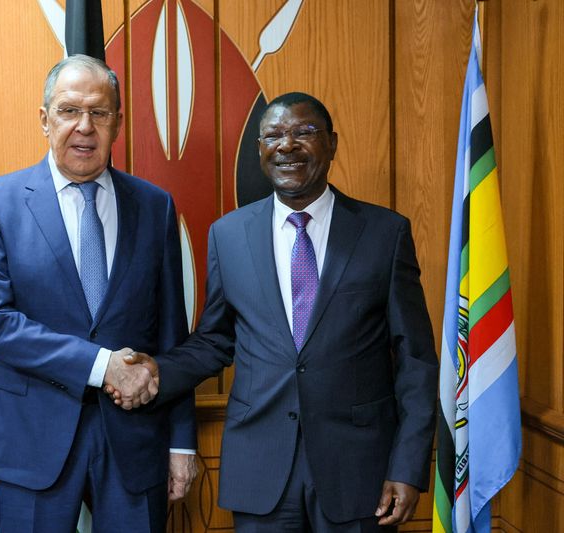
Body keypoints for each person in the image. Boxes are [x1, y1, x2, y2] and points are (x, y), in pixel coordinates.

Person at [116, 92, 438, 531]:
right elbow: (215, 340)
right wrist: (158, 371)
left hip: (359, 470)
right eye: (274, 135)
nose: (287, 145)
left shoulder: (385, 233)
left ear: (332, 144)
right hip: (260, 469)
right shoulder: (229, 235)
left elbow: (416, 361)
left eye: (304, 132)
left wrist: (408, 466)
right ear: (260, 150)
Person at [0, 54, 197, 533]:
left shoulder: (154, 206)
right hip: (30, 435)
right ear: (44, 119)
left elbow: (172, 336)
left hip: (135, 438)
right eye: (69, 110)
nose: (84, 127)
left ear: (118, 123)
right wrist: (102, 365)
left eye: (99, 112)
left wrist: (181, 442)